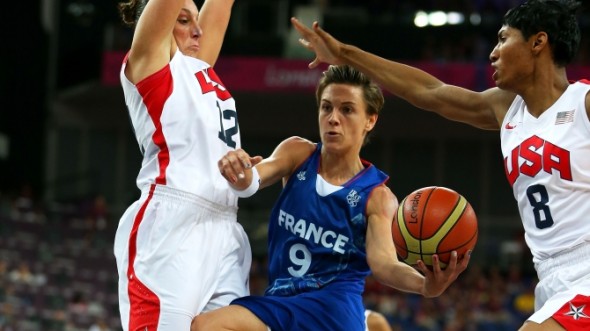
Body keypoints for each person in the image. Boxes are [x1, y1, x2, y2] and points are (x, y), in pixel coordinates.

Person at [290, 0, 590, 330]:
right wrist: (345, 54)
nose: (493, 53)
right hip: (549, 277)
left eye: (504, 39)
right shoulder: (506, 110)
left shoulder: (583, 104)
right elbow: (429, 91)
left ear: (538, 42)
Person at [191, 65, 469, 331]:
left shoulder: (376, 196)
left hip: (330, 312)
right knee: (206, 325)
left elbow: (384, 264)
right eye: (327, 107)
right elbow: (254, 177)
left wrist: (424, 286)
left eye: (347, 109)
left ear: (370, 120)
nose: (333, 118)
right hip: (281, 301)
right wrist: (239, 172)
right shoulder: (298, 153)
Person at [113, 0, 254, 330]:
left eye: (196, 19)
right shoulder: (151, 64)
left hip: (225, 228)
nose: (198, 28)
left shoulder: (199, 68)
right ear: (157, 24)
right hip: (172, 226)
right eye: (183, 19)